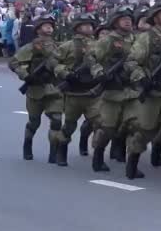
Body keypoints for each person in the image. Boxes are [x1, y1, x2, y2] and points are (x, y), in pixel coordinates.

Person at [124, 0, 161, 179]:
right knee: (145, 130)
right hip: (151, 93)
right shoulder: (146, 38)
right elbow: (131, 62)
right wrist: (142, 78)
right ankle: (132, 162)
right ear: (155, 18)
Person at [87, 6, 136, 172]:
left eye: (129, 19)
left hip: (132, 91)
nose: (128, 21)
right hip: (113, 91)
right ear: (115, 22)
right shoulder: (108, 40)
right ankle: (98, 157)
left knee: (136, 126)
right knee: (108, 128)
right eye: (124, 19)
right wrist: (99, 72)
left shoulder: (137, 39)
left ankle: (132, 165)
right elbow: (91, 57)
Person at [8, 15, 62, 162]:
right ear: (38, 29)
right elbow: (14, 62)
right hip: (35, 91)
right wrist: (26, 76)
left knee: (57, 120)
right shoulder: (31, 47)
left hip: (54, 89)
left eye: (50, 25)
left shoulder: (58, 46)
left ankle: (54, 152)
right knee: (34, 122)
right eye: (45, 25)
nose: (49, 27)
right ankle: (27, 144)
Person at [52, 13, 102, 166]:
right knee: (69, 126)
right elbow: (53, 62)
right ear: (77, 28)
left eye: (90, 25)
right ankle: (62, 152)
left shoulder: (99, 45)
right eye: (85, 25)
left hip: (92, 93)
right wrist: (65, 72)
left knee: (101, 124)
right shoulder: (67, 46)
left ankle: (98, 158)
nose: (89, 27)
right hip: (73, 93)